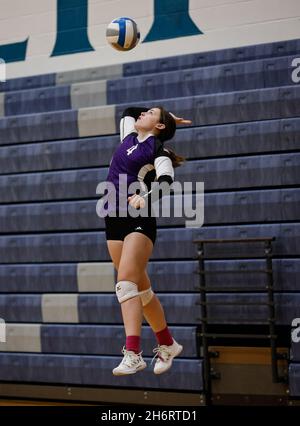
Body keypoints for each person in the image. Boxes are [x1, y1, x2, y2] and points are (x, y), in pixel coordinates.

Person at [101, 106, 192, 376]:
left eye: (150, 113)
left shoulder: (158, 151)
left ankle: (133, 353)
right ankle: (167, 343)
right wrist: (166, 116)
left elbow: (166, 180)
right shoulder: (128, 135)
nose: (142, 114)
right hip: (113, 217)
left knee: (125, 284)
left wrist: (146, 198)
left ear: (159, 126)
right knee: (141, 291)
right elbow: (130, 110)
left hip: (138, 218)